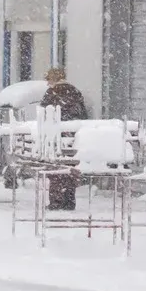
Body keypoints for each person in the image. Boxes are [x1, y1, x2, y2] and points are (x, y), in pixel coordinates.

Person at [41, 67, 88, 211]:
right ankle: (69, 200)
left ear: (53, 79)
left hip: (57, 136)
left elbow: (45, 113)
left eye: (48, 79)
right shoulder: (75, 91)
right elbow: (83, 114)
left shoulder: (52, 93)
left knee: (56, 169)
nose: (47, 83)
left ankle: (56, 201)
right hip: (73, 137)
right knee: (70, 168)